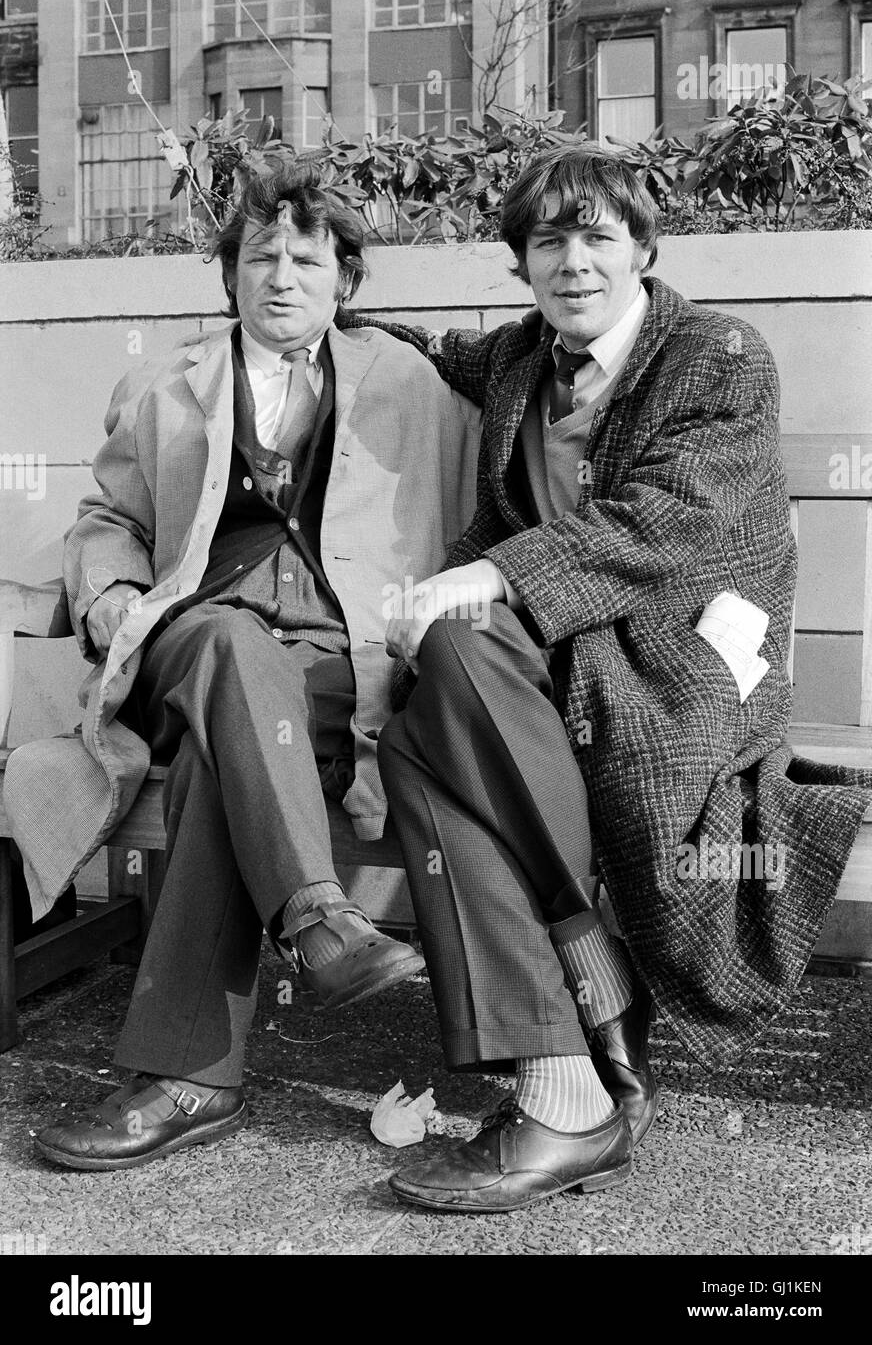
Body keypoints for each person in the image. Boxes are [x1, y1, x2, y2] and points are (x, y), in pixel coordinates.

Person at [343, 143, 872, 1213]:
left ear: (641, 247)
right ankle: (571, 1047)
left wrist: (484, 574)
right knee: (427, 704)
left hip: (680, 660)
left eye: (596, 237)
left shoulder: (717, 354)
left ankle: (569, 1039)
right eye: (548, 242)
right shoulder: (517, 361)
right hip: (546, 658)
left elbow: (665, 522)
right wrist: (319, 325)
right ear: (520, 264)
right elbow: (428, 350)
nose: (572, 262)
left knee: (428, 723)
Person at [6, 162, 480, 1171]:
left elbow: (500, 475)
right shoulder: (165, 384)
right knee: (227, 646)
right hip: (190, 641)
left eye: (305, 259)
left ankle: (191, 1080)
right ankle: (312, 915)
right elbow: (107, 521)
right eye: (258, 256)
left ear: (344, 280)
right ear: (229, 275)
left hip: (332, 672)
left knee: (230, 768)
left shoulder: (408, 383)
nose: (279, 276)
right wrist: (107, 596)